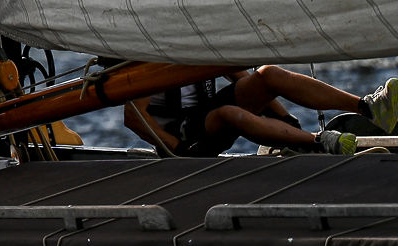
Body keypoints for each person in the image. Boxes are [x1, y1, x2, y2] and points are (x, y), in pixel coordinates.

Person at [123, 67, 398, 156]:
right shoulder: (147, 61)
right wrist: (176, 149)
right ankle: (317, 142)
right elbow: (133, 116)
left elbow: (238, 75)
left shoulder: (190, 43)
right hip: (183, 140)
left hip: (204, 115)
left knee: (268, 74)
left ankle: (369, 108)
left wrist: (285, 119)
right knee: (226, 113)